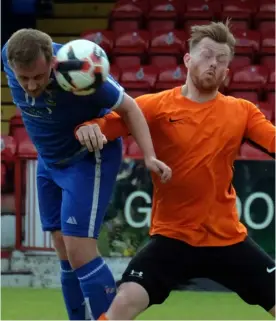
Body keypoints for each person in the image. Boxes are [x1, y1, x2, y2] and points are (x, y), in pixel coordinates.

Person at [74, 21, 276, 320]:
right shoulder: (156, 106)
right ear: (187, 59)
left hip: (227, 239)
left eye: (221, 60)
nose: (213, 64)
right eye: (207, 55)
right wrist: (87, 129)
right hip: (172, 239)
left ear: (227, 72)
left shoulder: (242, 111)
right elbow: (104, 124)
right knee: (124, 303)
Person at [2, 29, 171, 320]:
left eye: (38, 77)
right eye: (23, 78)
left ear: (52, 62)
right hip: (48, 161)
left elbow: (130, 107)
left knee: (80, 251)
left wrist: (150, 155)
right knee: (62, 251)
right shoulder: (8, 55)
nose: (31, 85)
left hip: (88, 159)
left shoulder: (77, 65)